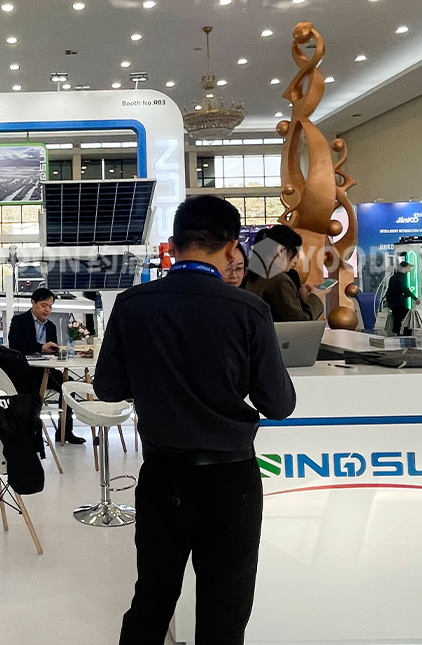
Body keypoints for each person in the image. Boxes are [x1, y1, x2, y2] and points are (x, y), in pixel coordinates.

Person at [94, 195, 296, 645]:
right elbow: (279, 404)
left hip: (162, 477)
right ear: (231, 247)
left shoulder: (131, 304)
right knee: (225, 612)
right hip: (231, 482)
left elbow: (107, 388)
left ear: (173, 244)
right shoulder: (248, 310)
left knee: (151, 601)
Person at [8, 288, 85, 445]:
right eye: (44, 305)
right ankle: (31, 434)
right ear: (33, 303)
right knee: (30, 394)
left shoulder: (51, 326)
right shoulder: (19, 321)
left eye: (50, 306)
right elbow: (15, 345)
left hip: (46, 371)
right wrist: (40, 347)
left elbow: (51, 350)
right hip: (25, 373)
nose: (47, 310)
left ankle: (65, 431)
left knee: (69, 385)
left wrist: (56, 351)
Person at [244, 224, 322, 321]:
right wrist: (316, 298)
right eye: (295, 254)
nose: (296, 261)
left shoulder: (255, 276)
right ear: (280, 251)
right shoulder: (279, 281)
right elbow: (300, 322)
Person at [385, 259, 420, 335]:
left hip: (393, 303)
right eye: (408, 268)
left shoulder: (394, 277)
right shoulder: (400, 277)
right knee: (408, 316)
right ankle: (406, 335)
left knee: (397, 319)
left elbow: (397, 290)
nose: (409, 270)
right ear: (404, 268)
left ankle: (396, 334)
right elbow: (404, 289)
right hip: (397, 303)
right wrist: (415, 298)